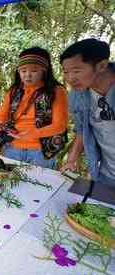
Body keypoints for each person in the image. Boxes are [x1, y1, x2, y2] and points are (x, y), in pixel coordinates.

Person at [0, 47, 68, 169]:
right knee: (10, 184)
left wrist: (33, 133)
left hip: (41, 152)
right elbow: (2, 115)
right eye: (23, 71)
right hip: (12, 148)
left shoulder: (57, 91)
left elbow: (60, 126)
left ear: (44, 71)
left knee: (39, 185)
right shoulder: (14, 91)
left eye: (34, 71)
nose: (28, 75)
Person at [60, 39, 115, 187]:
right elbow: (82, 131)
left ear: (101, 66)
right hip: (107, 175)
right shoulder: (77, 96)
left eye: (77, 71)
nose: (70, 78)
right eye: (66, 72)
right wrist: (71, 160)